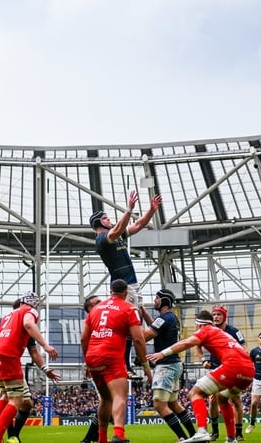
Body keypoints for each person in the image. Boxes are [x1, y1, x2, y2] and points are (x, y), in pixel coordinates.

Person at [148, 309, 255, 443]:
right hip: (249, 371)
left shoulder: (205, 330)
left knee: (195, 393)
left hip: (233, 367)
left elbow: (186, 343)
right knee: (222, 398)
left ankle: (202, 431)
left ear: (199, 324)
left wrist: (162, 353)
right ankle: (231, 438)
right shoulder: (221, 332)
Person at [89, 190, 162, 375]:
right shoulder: (102, 239)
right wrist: (129, 208)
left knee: (135, 325)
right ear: (99, 223)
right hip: (124, 286)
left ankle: (134, 359)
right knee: (130, 325)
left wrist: (151, 211)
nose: (109, 220)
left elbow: (138, 225)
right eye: (105, 218)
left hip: (132, 284)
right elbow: (118, 228)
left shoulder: (116, 234)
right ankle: (125, 363)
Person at [81, 279, 152, 443]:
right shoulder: (129, 309)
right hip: (111, 356)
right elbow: (138, 340)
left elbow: (84, 338)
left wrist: (88, 362)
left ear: (110, 291)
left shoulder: (95, 309)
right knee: (120, 396)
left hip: (93, 356)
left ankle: (102, 438)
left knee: (106, 399)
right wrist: (146, 367)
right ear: (126, 293)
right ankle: (119, 435)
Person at [0, 297, 61, 443]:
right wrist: (45, 345)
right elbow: (28, 324)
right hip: (5, 359)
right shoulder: (26, 314)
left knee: (24, 402)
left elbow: (33, 352)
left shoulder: (5, 319)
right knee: (14, 399)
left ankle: (4, 435)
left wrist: (44, 368)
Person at [138, 288, 198, 442]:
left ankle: (182, 437)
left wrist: (134, 326)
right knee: (173, 403)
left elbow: (145, 336)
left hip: (166, 366)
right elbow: (155, 326)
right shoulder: (170, 318)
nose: (154, 301)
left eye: (157, 298)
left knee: (159, 404)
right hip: (175, 364)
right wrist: (143, 312)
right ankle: (194, 435)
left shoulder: (164, 318)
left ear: (164, 300)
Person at [202, 305, 246, 441]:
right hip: (216, 368)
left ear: (224, 317)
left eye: (218, 315)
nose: (216, 317)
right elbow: (198, 344)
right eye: (214, 315)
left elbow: (244, 348)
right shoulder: (209, 331)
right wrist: (204, 359)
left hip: (232, 369)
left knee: (236, 400)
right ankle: (215, 432)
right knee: (213, 400)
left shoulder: (234, 331)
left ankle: (238, 433)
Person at [79, 294, 104, 443]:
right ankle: (89, 438)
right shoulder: (93, 322)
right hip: (99, 364)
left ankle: (93, 437)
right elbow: (84, 340)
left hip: (99, 363)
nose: (102, 304)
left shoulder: (97, 321)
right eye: (98, 302)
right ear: (90, 308)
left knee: (108, 402)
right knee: (109, 402)